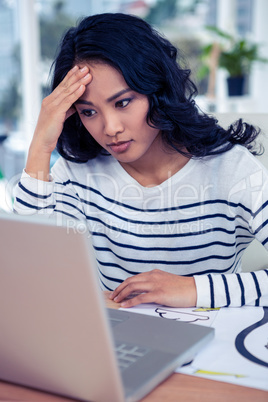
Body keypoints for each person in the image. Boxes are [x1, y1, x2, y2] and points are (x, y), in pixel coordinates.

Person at [14, 13, 268, 309]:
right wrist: (40, 148)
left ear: (156, 91)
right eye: (88, 112)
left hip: (215, 346)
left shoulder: (231, 169)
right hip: (118, 347)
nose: (110, 128)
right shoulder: (77, 173)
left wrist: (192, 289)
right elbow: (28, 272)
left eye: (123, 102)